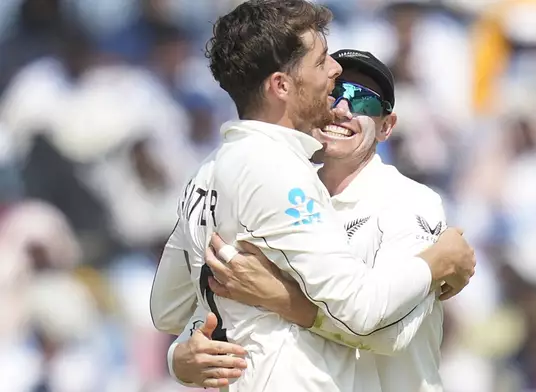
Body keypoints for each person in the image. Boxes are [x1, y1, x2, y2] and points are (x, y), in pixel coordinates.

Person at [149, 1, 475, 391]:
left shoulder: (409, 202)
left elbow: (393, 335)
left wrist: (282, 300)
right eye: (328, 74)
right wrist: (438, 262)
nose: (339, 100)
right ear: (282, 86)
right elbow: (365, 314)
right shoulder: (279, 176)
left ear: (388, 126)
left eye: (363, 99)